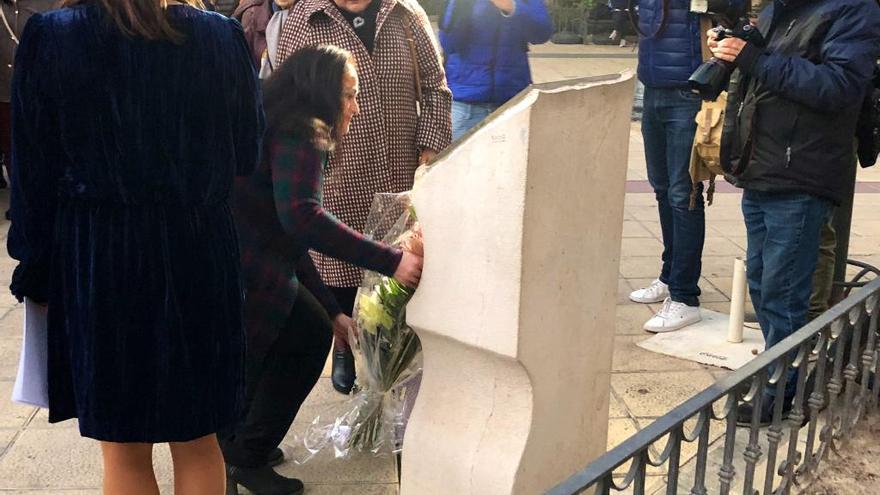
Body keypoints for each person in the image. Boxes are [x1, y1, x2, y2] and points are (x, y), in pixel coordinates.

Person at [7, 1, 263, 493]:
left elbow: (31, 178)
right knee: (198, 438)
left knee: (123, 449)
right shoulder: (219, 37)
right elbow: (247, 152)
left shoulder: (51, 38)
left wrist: (33, 266)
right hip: (198, 250)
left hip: (101, 259)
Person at [222, 44, 424, 494]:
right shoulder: (304, 131)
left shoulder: (274, 116)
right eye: (349, 95)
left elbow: (289, 228)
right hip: (247, 264)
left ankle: (240, 441)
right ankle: (244, 454)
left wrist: (333, 309)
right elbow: (301, 216)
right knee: (299, 336)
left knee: (299, 331)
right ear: (320, 92)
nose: (354, 106)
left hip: (239, 255)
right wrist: (393, 260)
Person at [711, 0, 880, 424]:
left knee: (786, 292)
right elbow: (759, 82)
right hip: (763, 166)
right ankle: (776, 375)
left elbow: (839, 86)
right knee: (764, 284)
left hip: (802, 170)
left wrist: (754, 57)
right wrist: (737, 50)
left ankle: (783, 394)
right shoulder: (776, 12)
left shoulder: (854, 10)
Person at [276, 0, 451, 394]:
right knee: (338, 272)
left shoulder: (405, 13)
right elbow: (288, 99)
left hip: (401, 176)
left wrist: (430, 145)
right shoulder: (306, 18)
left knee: (399, 278)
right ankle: (344, 346)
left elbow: (437, 86)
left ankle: (393, 358)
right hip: (339, 174)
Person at [628, 0, 735, 332]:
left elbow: (733, 7)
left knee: (683, 194)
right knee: (662, 190)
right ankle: (669, 275)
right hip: (652, 87)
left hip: (689, 89)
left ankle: (685, 296)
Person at [439, 0, 552, 140]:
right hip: (465, 104)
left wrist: (511, 7)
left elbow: (542, 33)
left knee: (510, 161)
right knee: (457, 161)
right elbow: (449, 44)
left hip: (511, 102)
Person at [0, 0, 54, 211]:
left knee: (37, 148)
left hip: (38, 92)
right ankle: (20, 202)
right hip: (4, 91)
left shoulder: (51, 4)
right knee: (11, 148)